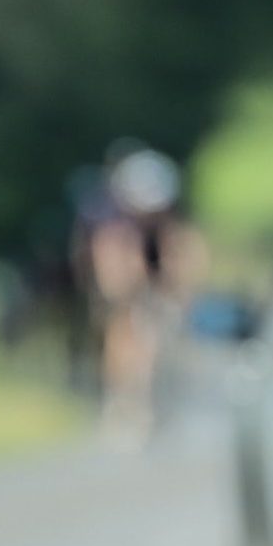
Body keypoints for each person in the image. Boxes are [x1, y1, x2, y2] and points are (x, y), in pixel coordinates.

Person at [85, 142, 207, 444]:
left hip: (154, 272)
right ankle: (122, 399)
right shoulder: (112, 219)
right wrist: (123, 294)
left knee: (161, 330)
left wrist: (182, 289)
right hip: (122, 272)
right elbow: (112, 263)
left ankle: (163, 397)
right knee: (124, 328)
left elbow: (180, 249)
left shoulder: (169, 216)